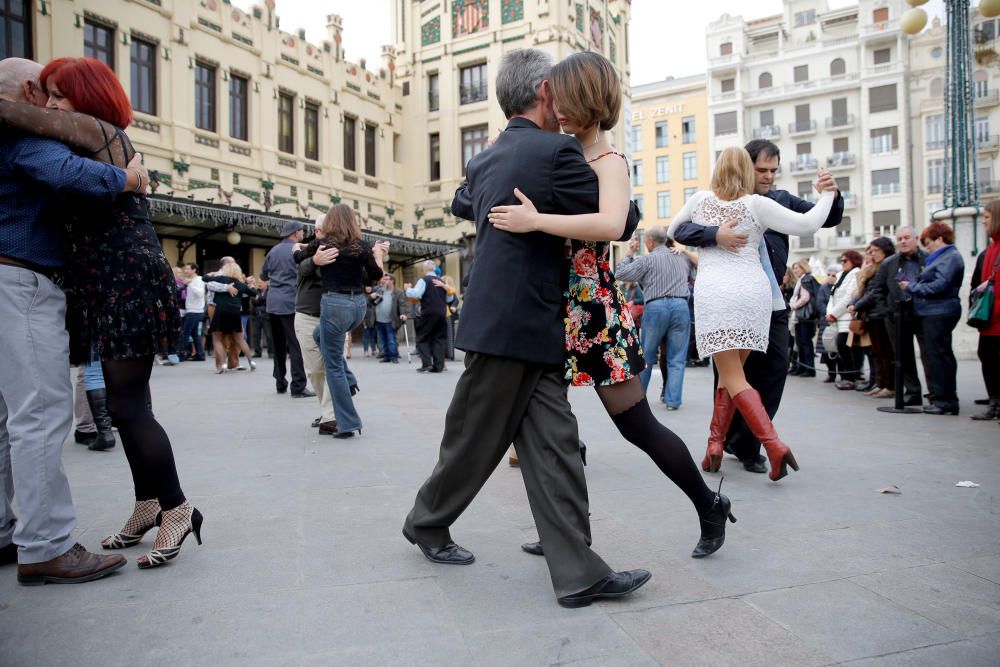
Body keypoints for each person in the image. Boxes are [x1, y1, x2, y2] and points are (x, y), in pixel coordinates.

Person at [403, 49, 650, 609]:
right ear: (544, 90)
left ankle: (578, 573)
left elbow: (465, 200)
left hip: (517, 322)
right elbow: (621, 217)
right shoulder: (555, 152)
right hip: (517, 324)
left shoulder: (488, 157)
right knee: (475, 440)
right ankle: (425, 522)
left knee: (554, 445)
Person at [487, 51, 735, 559]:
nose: (556, 110)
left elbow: (609, 224)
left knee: (636, 424)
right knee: (545, 429)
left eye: (565, 100)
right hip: (550, 307)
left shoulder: (609, 161)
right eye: (552, 99)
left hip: (594, 310)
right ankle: (565, 530)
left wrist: (537, 222)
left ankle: (709, 505)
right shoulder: (556, 153)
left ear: (592, 102)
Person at [0, 57, 202, 571]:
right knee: (125, 400)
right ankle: (147, 505)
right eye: (43, 94)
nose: (48, 106)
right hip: (107, 282)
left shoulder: (95, 128)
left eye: (58, 95)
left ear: (84, 98)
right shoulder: (81, 135)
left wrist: (19, 101)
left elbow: (33, 123)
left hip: (125, 280)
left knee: (129, 406)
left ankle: (178, 508)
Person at [0, 57, 144, 583]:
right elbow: (63, 170)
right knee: (39, 414)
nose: (55, 107)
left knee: (8, 417)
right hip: (20, 279)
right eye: (52, 94)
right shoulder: (23, 127)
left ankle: (7, 531)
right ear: (34, 92)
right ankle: (45, 545)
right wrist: (124, 177)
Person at [673, 139, 844, 475]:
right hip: (755, 296)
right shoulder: (757, 205)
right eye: (762, 170)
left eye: (772, 170)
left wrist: (832, 195)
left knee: (738, 375)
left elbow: (672, 230)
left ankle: (772, 445)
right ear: (745, 168)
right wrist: (714, 234)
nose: (768, 176)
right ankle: (716, 446)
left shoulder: (711, 199)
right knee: (729, 375)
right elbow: (810, 222)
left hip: (738, 299)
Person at [294, 204, 387, 439]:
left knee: (333, 365)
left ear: (330, 223)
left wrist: (301, 248)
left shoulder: (324, 244)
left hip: (335, 306)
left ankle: (347, 423)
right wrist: (378, 255)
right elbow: (375, 277)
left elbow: (297, 258)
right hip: (357, 308)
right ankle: (351, 379)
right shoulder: (361, 247)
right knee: (319, 337)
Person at [613, 226, 695, 410]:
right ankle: (672, 401)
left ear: (649, 241)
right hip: (681, 306)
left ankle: (638, 401)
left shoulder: (647, 260)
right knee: (676, 358)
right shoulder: (681, 258)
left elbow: (620, 274)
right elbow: (692, 275)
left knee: (647, 357)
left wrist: (630, 252)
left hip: (656, 306)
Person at [900, 222, 965, 415]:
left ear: (940, 239)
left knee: (938, 356)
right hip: (934, 310)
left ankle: (945, 400)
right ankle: (943, 397)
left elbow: (938, 286)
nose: (927, 247)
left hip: (938, 311)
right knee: (938, 355)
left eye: (929, 242)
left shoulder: (950, 257)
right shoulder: (944, 258)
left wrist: (911, 287)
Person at [261, 221, 315, 398]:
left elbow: (263, 275)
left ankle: (280, 382)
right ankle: (298, 386)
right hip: (291, 301)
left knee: (277, 345)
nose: (303, 234)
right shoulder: (298, 249)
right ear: (296, 233)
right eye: (301, 232)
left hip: (273, 301)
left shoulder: (273, 250)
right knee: (296, 345)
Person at [294, 234, 339, 433]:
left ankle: (330, 416)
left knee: (333, 366)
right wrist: (313, 260)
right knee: (314, 370)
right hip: (306, 314)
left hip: (335, 315)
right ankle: (326, 410)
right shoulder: (309, 251)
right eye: (319, 229)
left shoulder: (346, 250)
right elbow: (302, 269)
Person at [851, 238, 897, 398]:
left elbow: (874, 292)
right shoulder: (875, 268)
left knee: (885, 352)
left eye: (874, 251)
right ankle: (881, 383)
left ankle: (889, 385)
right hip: (873, 313)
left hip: (882, 313)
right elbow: (862, 289)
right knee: (877, 352)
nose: (871, 254)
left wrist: (856, 305)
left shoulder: (887, 265)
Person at [970, 200, 1000, 420]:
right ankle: (995, 402)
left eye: (987, 217)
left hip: (997, 316)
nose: (983, 221)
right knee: (987, 357)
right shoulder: (990, 247)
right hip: (989, 317)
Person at [203, 262, 258, 374]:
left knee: (217, 339)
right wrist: (251, 284)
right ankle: (251, 362)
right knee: (239, 339)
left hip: (221, 311)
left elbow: (204, 278)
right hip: (235, 312)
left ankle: (222, 365)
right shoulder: (240, 284)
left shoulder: (220, 279)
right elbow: (253, 293)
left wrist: (211, 273)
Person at [825, 249, 863, 390]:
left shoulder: (855, 273)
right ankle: (846, 377)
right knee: (840, 347)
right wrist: (830, 313)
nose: (842, 263)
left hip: (847, 316)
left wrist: (834, 314)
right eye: (841, 260)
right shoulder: (841, 275)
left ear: (854, 260)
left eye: (845, 260)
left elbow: (848, 297)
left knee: (845, 346)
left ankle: (850, 377)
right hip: (837, 317)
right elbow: (832, 296)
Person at [406, 260, 449, 373]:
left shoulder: (424, 280)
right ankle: (438, 366)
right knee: (439, 339)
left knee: (422, 338)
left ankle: (427, 364)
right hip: (441, 313)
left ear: (424, 269)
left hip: (428, 312)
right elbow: (449, 298)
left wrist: (408, 289)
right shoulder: (442, 281)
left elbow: (416, 293)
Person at [787, 260, 820, 377]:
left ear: (803, 268)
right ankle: (802, 367)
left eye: (797, 268)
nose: (795, 270)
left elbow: (805, 297)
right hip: (801, 316)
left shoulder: (806, 279)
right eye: (794, 268)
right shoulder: (803, 279)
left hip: (805, 316)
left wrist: (793, 306)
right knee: (800, 342)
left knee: (805, 342)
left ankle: (808, 368)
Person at [374, 275, 406, 364]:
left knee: (391, 339)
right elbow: (373, 302)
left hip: (390, 320)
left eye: (386, 279)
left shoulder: (398, 292)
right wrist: (372, 297)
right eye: (384, 279)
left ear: (392, 281)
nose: (384, 281)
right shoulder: (380, 290)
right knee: (383, 339)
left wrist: (403, 313)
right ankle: (386, 356)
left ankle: (393, 356)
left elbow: (402, 304)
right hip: (379, 319)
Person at [179, 262, 206, 361]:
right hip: (192, 310)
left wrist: (190, 284)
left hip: (195, 311)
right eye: (185, 269)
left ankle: (182, 355)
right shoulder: (193, 280)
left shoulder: (198, 280)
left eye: (187, 269)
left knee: (185, 333)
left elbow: (200, 294)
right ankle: (200, 355)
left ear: (194, 270)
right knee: (195, 334)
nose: (185, 271)